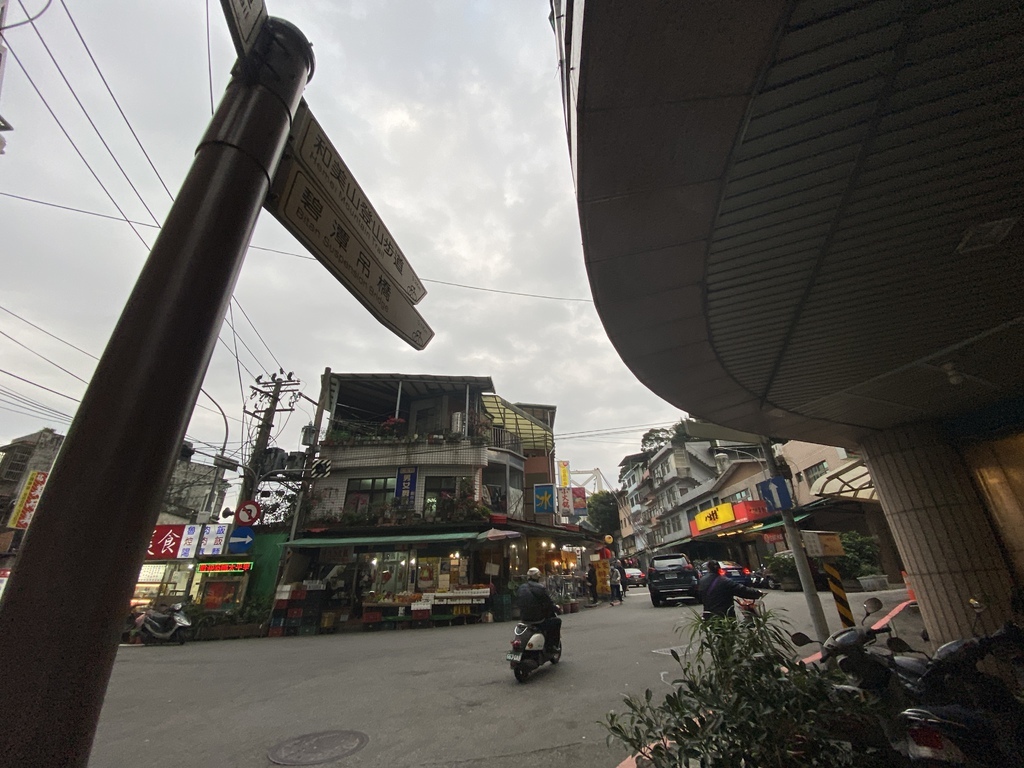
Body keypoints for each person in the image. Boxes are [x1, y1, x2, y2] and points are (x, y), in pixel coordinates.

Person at [697, 560, 763, 619]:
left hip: (708, 616)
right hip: (725, 616)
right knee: (730, 631)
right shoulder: (724, 581)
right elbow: (741, 590)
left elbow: (699, 597)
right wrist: (757, 593)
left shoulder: (702, 581)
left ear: (708, 569)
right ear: (719, 569)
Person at [517, 567, 561, 649]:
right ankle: (552, 645)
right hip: (538, 619)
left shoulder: (521, 588)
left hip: (524, 619)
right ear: (538, 577)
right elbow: (549, 603)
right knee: (557, 622)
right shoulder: (540, 588)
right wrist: (557, 609)